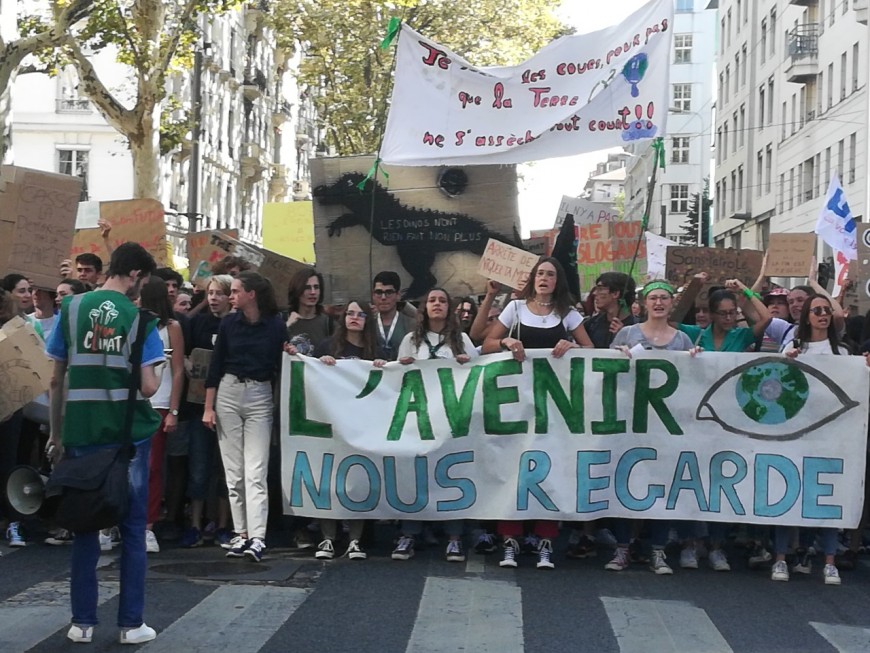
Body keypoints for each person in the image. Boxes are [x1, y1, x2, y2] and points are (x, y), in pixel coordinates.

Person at [45, 242, 164, 644]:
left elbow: (56, 379)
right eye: (143, 281)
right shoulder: (140, 319)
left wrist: (56, 434)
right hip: (128, 437)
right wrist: (161, 369)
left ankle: (82, 623)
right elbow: (149, 388)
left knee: (85, 525)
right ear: (135, 275)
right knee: (132, 530)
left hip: (81, 433)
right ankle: (131, 624)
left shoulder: (71, 308)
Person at [482, 256, 593, 569]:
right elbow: (486, 343)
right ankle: (510, 542)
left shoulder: (567, 313)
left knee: (550, 470)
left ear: (558, 282)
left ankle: (545, 542)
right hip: (516, 405)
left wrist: (573, 347)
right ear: (533, 278)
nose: (544, 278)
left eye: (550, 274)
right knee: (512, 471)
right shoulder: (515, 308)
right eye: (540, 273)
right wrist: (506, 341)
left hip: (553, 408)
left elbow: (592, 349)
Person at [607, 281, 698, 575]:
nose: (659, 303)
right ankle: (622, 547)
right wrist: (617, 355)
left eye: (664, 298)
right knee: (625, 481)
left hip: (666, 427)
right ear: (644, 303)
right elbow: (605, 373)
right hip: (630, 423)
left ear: (672, 303)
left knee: (662, 484)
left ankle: (657, 550)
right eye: (653, 298)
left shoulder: (682, 339)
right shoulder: (627, 333)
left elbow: (693, 381)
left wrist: (697, 360)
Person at [203, 272, 287, 563]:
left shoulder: (276, 325)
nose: (231, 296)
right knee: (234, 471)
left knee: (256, 469)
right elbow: (215, 365)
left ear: (252, 294)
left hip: (260, 394)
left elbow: (284, 362)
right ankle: (241, 532)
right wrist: (208, 407)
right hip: (228, 391)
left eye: (236, 291)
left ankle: (258, 536)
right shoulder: (229, 323)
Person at [393, 288, 477, 563]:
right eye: (432, 300)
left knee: (452, 474)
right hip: (419, 419)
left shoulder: (461, 339)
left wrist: (466, 364)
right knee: (415, 473)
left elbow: (479, 375)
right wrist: (402, 365)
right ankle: (409, 533)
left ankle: (454, 537)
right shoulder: (410, 340)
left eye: (442, 300)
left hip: (452, 420)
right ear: (424, 308)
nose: (437, 304)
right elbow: (397, 377)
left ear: (449, 308)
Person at [773, 294, 850, 586]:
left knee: (828, 497)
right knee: (787, 495)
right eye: (816, 310)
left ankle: (829, 562)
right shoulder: (793, 348)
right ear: (806, 316)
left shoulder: (843, 352)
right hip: (795, 434)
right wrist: (787, 361)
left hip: (831, 436)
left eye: (826, 310)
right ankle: (781, 557)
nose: (823, 314)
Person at [311, 300, 387, 561]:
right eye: (350, 313)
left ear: (368, 320)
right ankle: (328, 538)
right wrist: (320, 364)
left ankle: (355, 539)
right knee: (329, 479)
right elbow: (309, 375)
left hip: (362, 425)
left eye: (361, 314)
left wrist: (384, 367)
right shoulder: (326, 346)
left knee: (358, 480)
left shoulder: (376, 349)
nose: (355, 318)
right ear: (343, 317)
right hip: (331, 423)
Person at [179, 275, 234, 549]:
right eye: (210, 293)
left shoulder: (236, 325)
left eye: (219, 293)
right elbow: (182, 352)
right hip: (197, 405)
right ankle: (195, 525)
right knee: (198, 468)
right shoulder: (197, 323)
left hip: (230, 405)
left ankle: (224, 526)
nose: (213, 298)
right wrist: (187, 362)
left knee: (225, 469)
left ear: (230, 297)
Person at [137, 277, 185, 554]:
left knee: (153, 467)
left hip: (160, 402)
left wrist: (174, 410)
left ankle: (148, 525)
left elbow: (178, 370)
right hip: (135, 402)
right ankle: (120, 523)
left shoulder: (172, 327)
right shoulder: (134, 323)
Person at [584, 271, 637, 349]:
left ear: (615, 293)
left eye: (600, 289)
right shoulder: (590, 325)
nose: (594, 293)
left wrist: (623, 336)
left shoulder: (638, 327)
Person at [285, 267, 332, 355]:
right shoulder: (283, 319)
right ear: (297, 290)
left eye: (316, 287)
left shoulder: (328, 323)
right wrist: (286, 326)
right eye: (307, 287)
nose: (313, 292)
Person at [371, 270, 416, 360]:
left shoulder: (412, 324)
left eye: (389, 293)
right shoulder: (367, 324)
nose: (383, 297)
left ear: (398, 295)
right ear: (373, 295)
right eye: (379, 292)